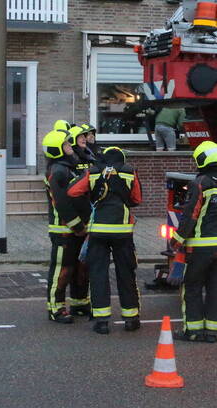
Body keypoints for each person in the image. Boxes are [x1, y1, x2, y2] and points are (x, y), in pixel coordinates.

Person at [169, 140, 217, 343]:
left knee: (191, 287)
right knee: (216, 289)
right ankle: (213, 332)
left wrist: (176, 241)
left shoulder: (200, 183)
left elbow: (190, 215)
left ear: (202, 160)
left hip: (201, 247)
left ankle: (192, 331)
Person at [68, 146, 142, 334]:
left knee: (98, 274)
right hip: (123, 232)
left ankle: (102, 321)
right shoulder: (129, 171)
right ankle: (131, 319)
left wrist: (90, 202)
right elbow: (136, 199)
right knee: (126, 274)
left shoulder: (93, 172)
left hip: (98, 232)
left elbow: (73, 192)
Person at [42, 129, 87, 323]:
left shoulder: (67, 167)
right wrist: (78, 226)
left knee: (79, 267)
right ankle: (56, 308)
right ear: (58, 150)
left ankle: (79, 302)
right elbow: (61, 202)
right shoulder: (58, 172)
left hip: (75, 229)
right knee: (63, 269)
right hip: (64, 230)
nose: (71, 147)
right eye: (67, 145)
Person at [63, 125, 93, 317]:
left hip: (89, 217)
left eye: (87, 136)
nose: (85, 138)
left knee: (85, 265)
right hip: (76, 221)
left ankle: (81, 302)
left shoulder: (90, 154)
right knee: (72, 265)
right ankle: (74, 302)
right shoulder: (72, 160)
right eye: (81, 136)